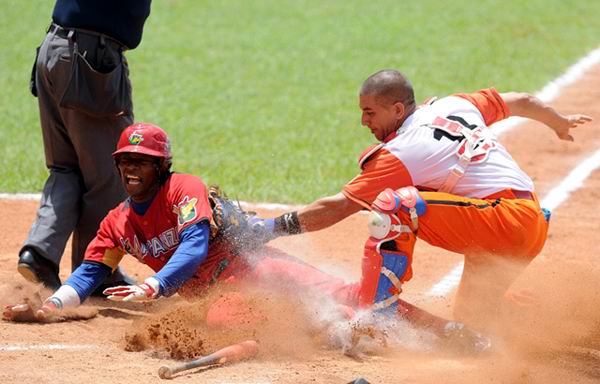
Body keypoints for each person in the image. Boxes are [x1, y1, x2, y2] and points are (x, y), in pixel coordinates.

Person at [4, 122, 490, 353]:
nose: (132, 170)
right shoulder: (116, 223)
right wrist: (55, 304)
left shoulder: (182, 189)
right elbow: (90, 270)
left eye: (142, 163)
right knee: (227, 317)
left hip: (254, 268)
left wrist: (153, 287)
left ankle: (452, 333)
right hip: (217, 295)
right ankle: (342, 335)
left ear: (161, 166)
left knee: (353, 295)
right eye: (125, 163)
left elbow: (193, 245)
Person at [252, 69, 593, 330]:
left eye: (370, 112)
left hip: (502, 221)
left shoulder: (402, 152)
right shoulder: (455, 105)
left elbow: (337, 207)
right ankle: (564, 320)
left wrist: (268, 228)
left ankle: (379, 318)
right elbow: (521, 100)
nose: (363, 121)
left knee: (397, 205)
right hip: (524, 225)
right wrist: (558, 122)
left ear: (397, 109)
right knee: (475, 325)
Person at [18, 0, 152, 292]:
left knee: (66, 168)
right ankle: (95, 271)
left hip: (54, 49)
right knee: (110, 175)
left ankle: (39, 253)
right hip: (90, 59)